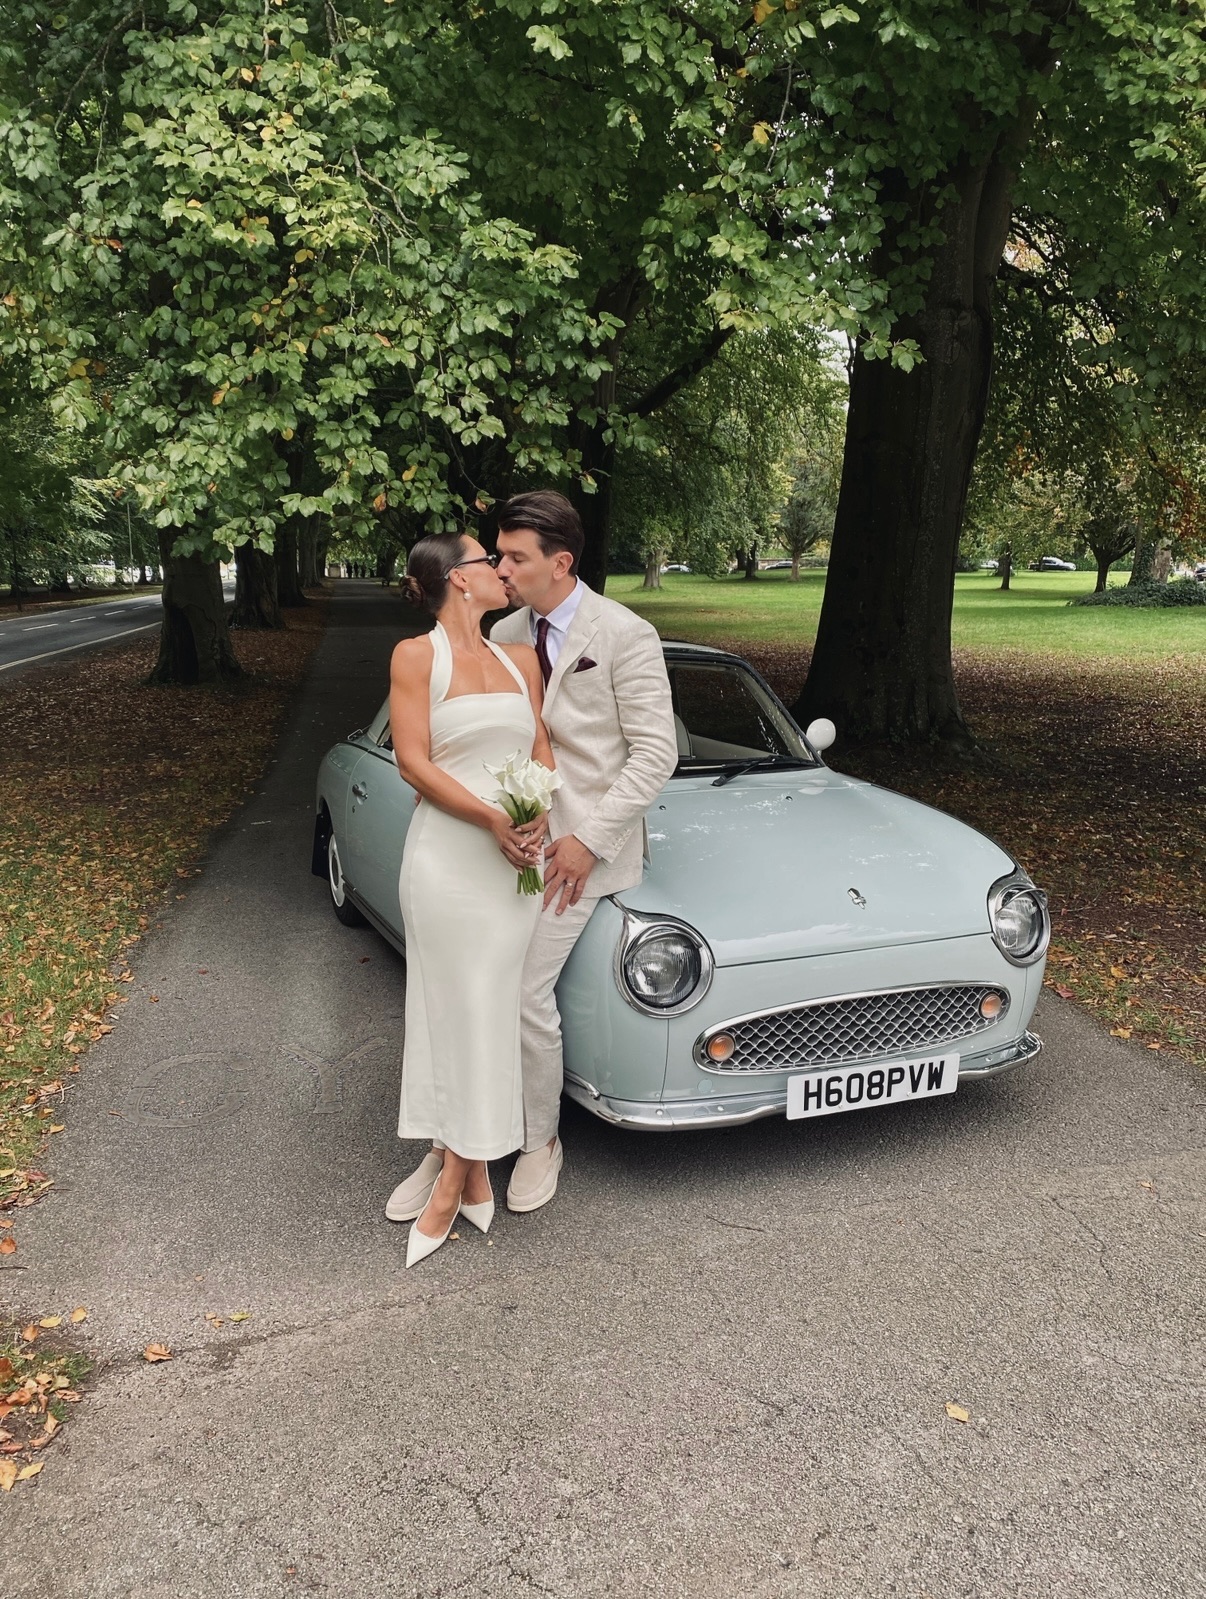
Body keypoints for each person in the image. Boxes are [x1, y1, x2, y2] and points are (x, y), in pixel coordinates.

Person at [387, 491, 678, 1221]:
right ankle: (452, 1144)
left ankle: (539, 1140)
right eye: (496, 556)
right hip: (497, 847)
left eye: (514, 557)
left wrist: (587, 840)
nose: (503, 568)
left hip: (580, 852)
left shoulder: (626, 633)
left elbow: (655, 753)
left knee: (518, 993)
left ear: (561, 562)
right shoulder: (508, 630)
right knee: (463, 991)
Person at [387, 531, 553, 1268]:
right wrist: (491, 817)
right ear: (459, 578)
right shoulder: (415, 656)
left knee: (491, 1010)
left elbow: (539, 745)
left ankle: (466, 1168)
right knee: (452, 1013)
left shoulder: (521, 660)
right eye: (490, 560)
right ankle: (462, 1173)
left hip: (513, 870)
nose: (502, 570)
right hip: (447, 864)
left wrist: (538, 808)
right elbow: (412, 762)